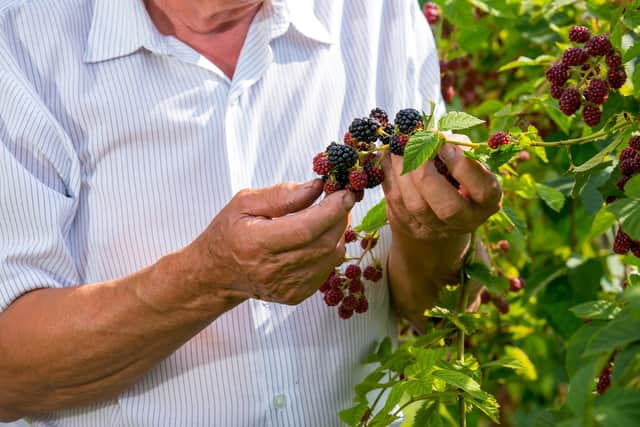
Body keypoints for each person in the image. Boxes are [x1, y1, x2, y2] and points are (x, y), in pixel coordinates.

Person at [0, 0, 501, 425]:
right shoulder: (22, 39)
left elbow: (437, 312)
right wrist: (207, 280)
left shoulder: (374, 15)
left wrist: (435, 229)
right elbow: (9, 373)